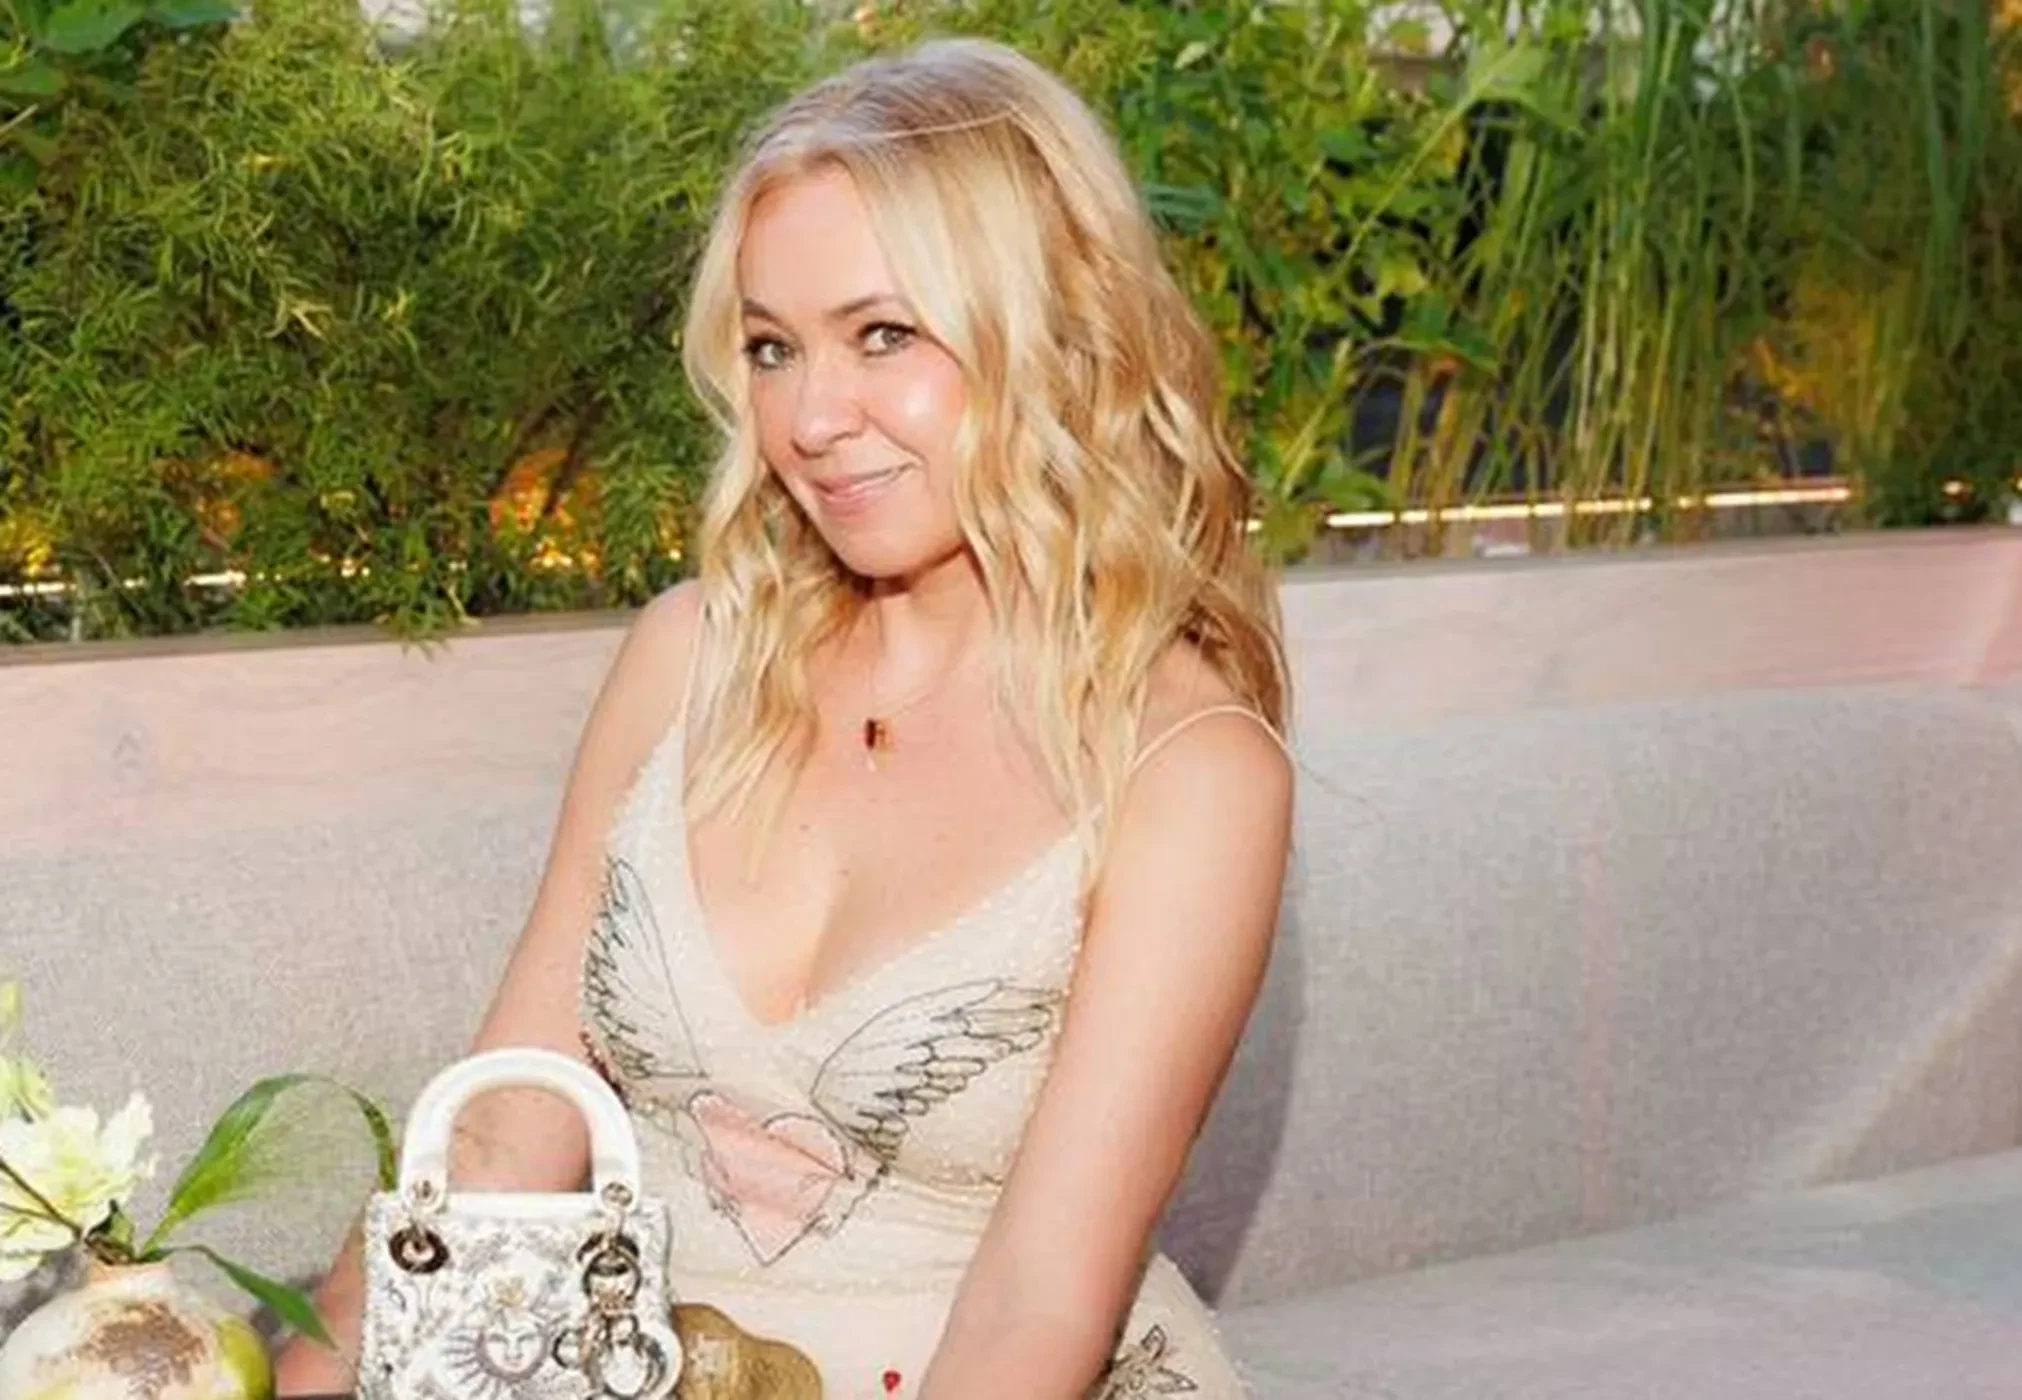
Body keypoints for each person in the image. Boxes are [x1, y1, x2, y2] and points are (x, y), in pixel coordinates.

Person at [275, 35, 1293, 1400]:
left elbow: (1035, 1307)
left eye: (885, 335)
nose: (810, 418)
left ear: (1054, 336)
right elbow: (509, 1130)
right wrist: (303, 1379)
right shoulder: (690, 658)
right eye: (772, 348)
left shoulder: (1186, 768)